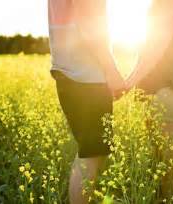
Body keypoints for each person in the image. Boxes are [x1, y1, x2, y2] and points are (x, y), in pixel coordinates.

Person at [48, 0, 125, 203]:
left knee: (91, 151)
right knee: (91, 154)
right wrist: (111, 70)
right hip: (87, 76)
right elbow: (89, 23)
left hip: (70, 72)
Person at [127, 0, 173, 202]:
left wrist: (129, 81)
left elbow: (154, 50)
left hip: (167, 91)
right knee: (162, 162)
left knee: (171, 162)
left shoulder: (172, 3)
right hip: (161, 91)